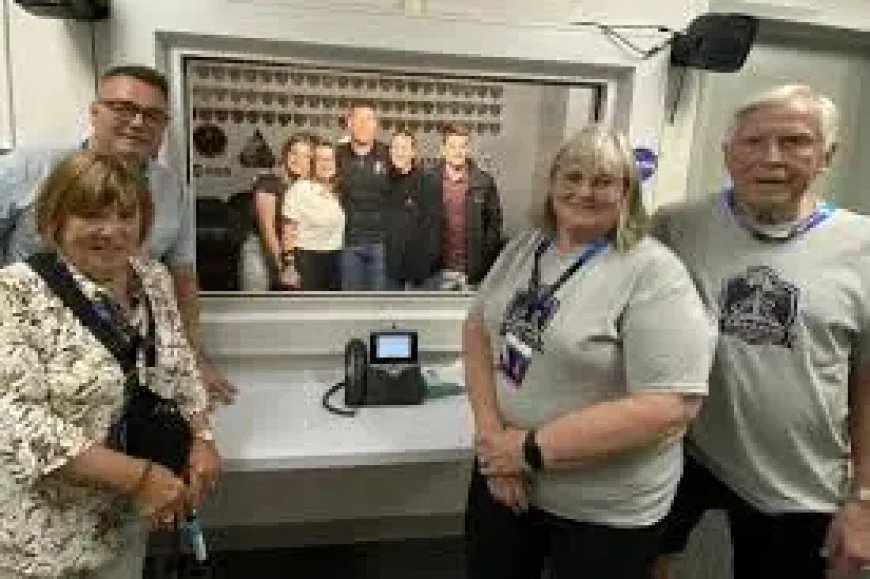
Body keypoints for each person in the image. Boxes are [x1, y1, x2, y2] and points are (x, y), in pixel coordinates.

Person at [463, 124, 715, 579]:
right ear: (552, 183)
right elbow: (477, 330)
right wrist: (492, 445)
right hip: (505, 477)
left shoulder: (654, 273)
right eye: (572, 176)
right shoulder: (525, 247)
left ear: (627, 194)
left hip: (602, 510)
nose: (584, 191)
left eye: (603, 181)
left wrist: (528, 450)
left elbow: (670, 407)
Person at [651, 84, 870, 579]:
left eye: (794, 142)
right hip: (684, 452)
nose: (770, 158)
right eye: (753, 142)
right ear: (728, 154)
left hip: (798, 476)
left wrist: (864, 500)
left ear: (827, 155)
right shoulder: (675, 227)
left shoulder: (863, 247)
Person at [0, 151, 220, 578]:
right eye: (90, 214)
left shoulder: (151, 278)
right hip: (40, 541)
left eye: (125, 215)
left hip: (121, 525)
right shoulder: (14, 294)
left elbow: (177, 365)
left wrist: (202, 436)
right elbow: (16, 423)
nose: (112, 231)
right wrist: (140, 477)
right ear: (56, 218)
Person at [0, 64, 236, 407]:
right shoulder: (27, 167)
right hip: (33, 365)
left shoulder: (173, 193)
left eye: (152, 115)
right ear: (95, 112)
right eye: (124, 108)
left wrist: (194, 358)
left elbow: (182, 281)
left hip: (124, 367)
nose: (138, 122)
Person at [422, 123, 502, 291]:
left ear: (468, 148)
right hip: (435, 272)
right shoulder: (427, 180)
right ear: (443, 149)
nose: (458, 151)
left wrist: (482, 261)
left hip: (471, 273)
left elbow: (494, 226)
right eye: (452, 146)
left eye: (463, 146)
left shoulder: (484, 181)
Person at [238, 132, 313, 291]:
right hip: (260, 250)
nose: (297, 159)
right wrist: (284, 268)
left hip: (292, 253)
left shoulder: (311, 189)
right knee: (255, 305)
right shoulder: (268, 182)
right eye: (293, 153)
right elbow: (268, 231)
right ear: (285, 155)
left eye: (306, 156)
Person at [335, 100, 392, 291]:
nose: (364, 125)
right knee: (350, 307)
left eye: (369, 119)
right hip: (347, 244)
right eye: (358, 119)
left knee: (380, 307)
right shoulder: (335, 155)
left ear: (376, 124)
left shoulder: (389, 155)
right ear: (348, 123)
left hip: (382, 245)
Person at [280, 138, 344, 291]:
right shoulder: (300, 189)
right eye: (321, 159)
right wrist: (289, 266)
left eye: (330, 159)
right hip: (307, 259)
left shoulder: (340, 191)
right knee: (308, 310)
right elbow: (288, 231)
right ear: (313, 164)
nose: (326, 164)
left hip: (335, 259)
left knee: (331, 310)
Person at [384, 130, 441, 289]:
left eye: (404, 148)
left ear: (413, 152)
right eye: (395, 148)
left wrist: (424, 267)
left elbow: (433, 229)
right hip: (388, 269)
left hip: (418, 272)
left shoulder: (427, 183)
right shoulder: (382, 181)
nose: (399, 153)